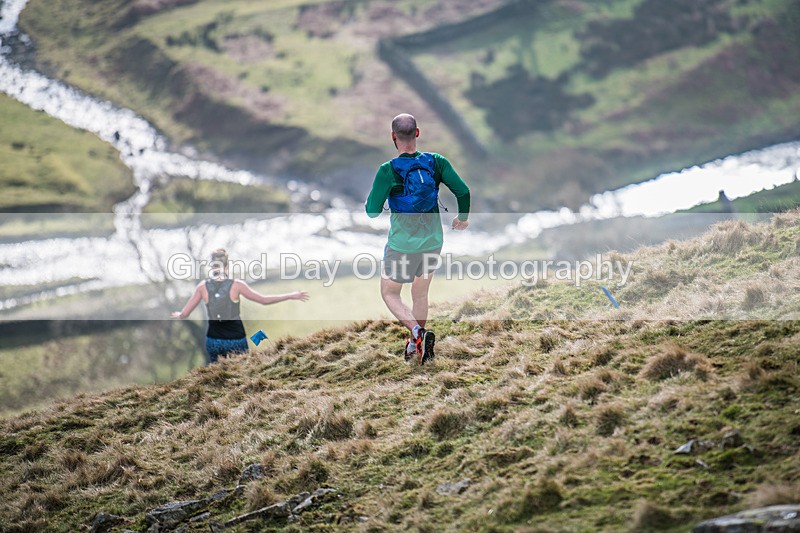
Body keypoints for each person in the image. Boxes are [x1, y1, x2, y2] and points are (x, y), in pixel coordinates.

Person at [365, 113, 470, 364]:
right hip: (432, 241)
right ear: (418, 133)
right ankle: (417, 344)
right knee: (420, 294)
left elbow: (372, 212)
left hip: (401, 244)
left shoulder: (387, 170)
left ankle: (417, 332)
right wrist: (462, 218)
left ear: (393, 136)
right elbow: (463, 191)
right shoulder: (436, 162)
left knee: (390, 293)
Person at [171, 248, 309, 364]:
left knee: (216, 375)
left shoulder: (202, 287)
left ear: (212, 266)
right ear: (227, 266)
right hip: (235, 338)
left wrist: (179, 314)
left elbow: (185, 313)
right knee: (241, 370)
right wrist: (290, 295)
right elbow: (263, 300)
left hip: (213, 340)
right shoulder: (237, 285)